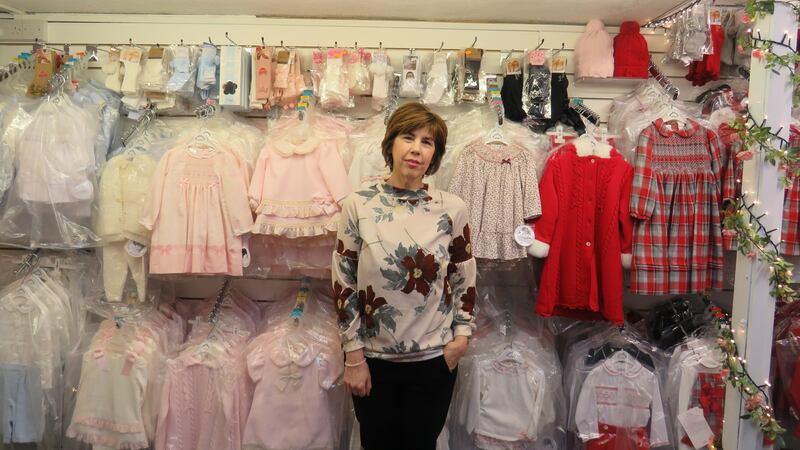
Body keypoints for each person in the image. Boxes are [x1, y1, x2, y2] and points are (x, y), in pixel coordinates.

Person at [332, 102, 477, 450]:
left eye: (427, 142)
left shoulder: (452, 208)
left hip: (433, 360)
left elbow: (464, 275)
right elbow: (343, 279)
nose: (416, 149)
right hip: (373, 361)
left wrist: (461, 337)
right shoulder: (358, 204)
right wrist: (353, 356)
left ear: (435, 154)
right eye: (408, 137)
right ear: (390, 144)